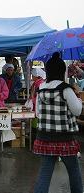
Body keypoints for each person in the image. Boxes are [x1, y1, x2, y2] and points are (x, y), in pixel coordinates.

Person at [33, 52, 83, 193]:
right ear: (62, 71)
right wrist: (78, 97)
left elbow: (37, 113)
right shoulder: (65, 89)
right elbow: (78, 111)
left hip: (44, 137)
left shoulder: (41, 88)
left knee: (44, 174)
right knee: (74, 171)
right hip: (65, 138)